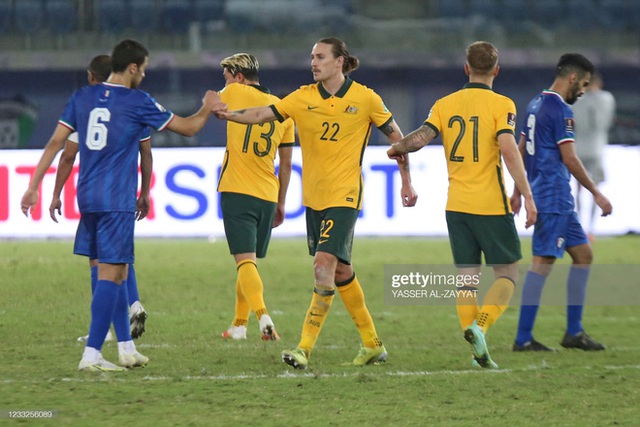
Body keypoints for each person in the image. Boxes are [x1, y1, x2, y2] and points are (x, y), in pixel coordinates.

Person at [214, 37, 418, 369]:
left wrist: (406, 180)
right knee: (340, 270)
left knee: (323, 265)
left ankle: (303, 349)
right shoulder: (302, 98)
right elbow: (262, 114)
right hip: (314, 199)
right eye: (312, 57)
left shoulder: (366, 99)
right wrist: (229, 115)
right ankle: (372, 343)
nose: (314, 62)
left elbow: (399, 139)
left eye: (321, 57)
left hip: (345, 195)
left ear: (340, 62)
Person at [22, 39, 219, 372]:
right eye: (143, 69)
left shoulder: (81, 97)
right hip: (116, 199)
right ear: (133, 67)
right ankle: (92, 354)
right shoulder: (137, 101)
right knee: (113, 276)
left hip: (87, 198)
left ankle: (124, 349)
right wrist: (207, 105)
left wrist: (33, 187)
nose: (143, 74)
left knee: (109, 271)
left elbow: (58, 143)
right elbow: (189, 128)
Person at [388, 41, 537, 369]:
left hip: (456, 205)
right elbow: (509, 149)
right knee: (508, 274)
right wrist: (525, 193)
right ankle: (479, 327)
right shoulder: (502, 104)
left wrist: (398, 145)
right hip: (490, 203)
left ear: (466, 68)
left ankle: (477, 353)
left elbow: (421, 138)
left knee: (467, 280)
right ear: (496, 70)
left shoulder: (445, 104)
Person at [511, 53, 612, 352]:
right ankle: (523, 338)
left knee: (583, 255)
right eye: (581, 84)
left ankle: (574, 332)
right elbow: (569, 157)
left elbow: (520, 147)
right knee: (542, 262)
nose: (582, 90)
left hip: (557, 198)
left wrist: (517, 190)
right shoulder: (560, 110)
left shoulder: (535, 103)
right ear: (571, 78)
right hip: (552, 196)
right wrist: (596, 191)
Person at [48, 54, 148, 343]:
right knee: (119, 257)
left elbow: (67, 155)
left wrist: (55, 193)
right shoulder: (135, 105)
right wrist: (145, 192)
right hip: (125, 193)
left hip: (96, 195)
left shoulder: (88, 106)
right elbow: (146, 152)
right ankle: (134, 303)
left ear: (92, 77)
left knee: (98, 261)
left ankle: (101, 332)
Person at [216, 53, 295, 341]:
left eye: (226, 76)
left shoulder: (234, 91)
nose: (223, 82)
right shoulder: (282, 109)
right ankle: (239, 325)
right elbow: (286, 164)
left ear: (238, 75)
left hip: (238, 190)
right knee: (249, 261)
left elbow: (211, 103)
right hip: (267, 194)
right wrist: (282, 203)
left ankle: (263, 317)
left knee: (244, 261)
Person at [571, 71, 616, 240]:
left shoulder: (576, 100)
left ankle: (580, 228)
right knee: (596, 190)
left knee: (578, 189)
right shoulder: (607, 98)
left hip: (578, 148)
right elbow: (607, 122)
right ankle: (591, 229)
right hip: (597, 148)